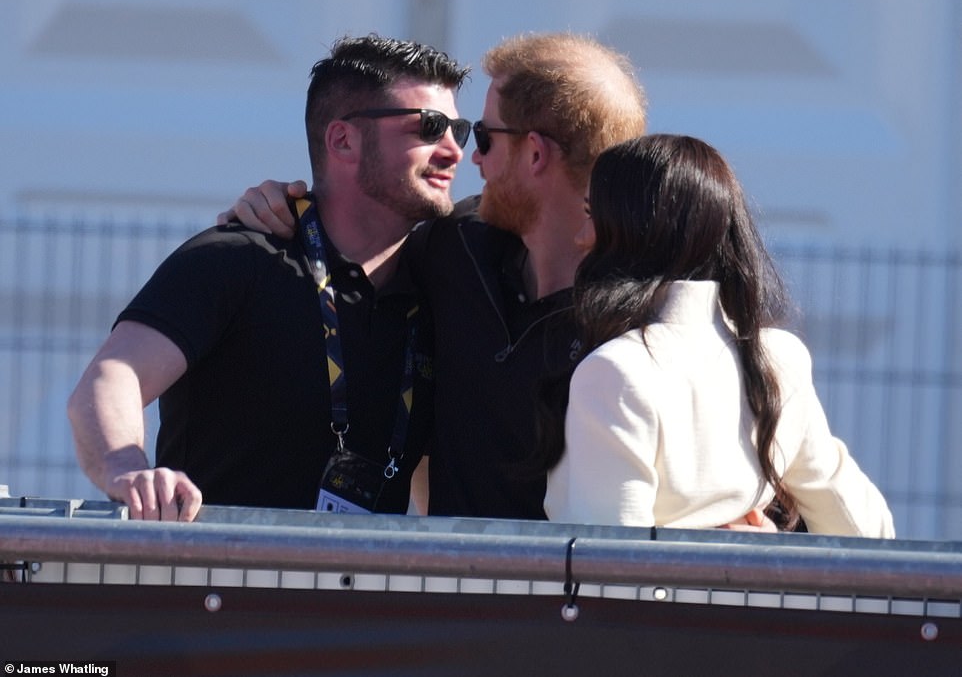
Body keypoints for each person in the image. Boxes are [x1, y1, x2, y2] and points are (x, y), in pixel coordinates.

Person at [221, 33, 649, 520]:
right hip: (443, 586)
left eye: (483, 137)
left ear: (535, 155)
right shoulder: (455, 245)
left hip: (573, 593)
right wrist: (284, 207)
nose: (471, 157)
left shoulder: (645, 310)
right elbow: (356, 233)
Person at [68, 34, 471, 521]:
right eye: (429, 127)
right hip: (213, 587)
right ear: (343, 139)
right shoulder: (237, 258)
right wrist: (126, 469)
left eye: (460, 130)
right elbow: (114, 376)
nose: (454, 152)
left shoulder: (444, 283)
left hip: (360, 593)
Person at [536, 134, 895, 537]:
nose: (581, 236)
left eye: (592, 215)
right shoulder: (778, 358)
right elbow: (866, 529)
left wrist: (723, 550)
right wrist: (747, 552)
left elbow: (611, 570)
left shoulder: (615, 372)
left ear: (635, 231)